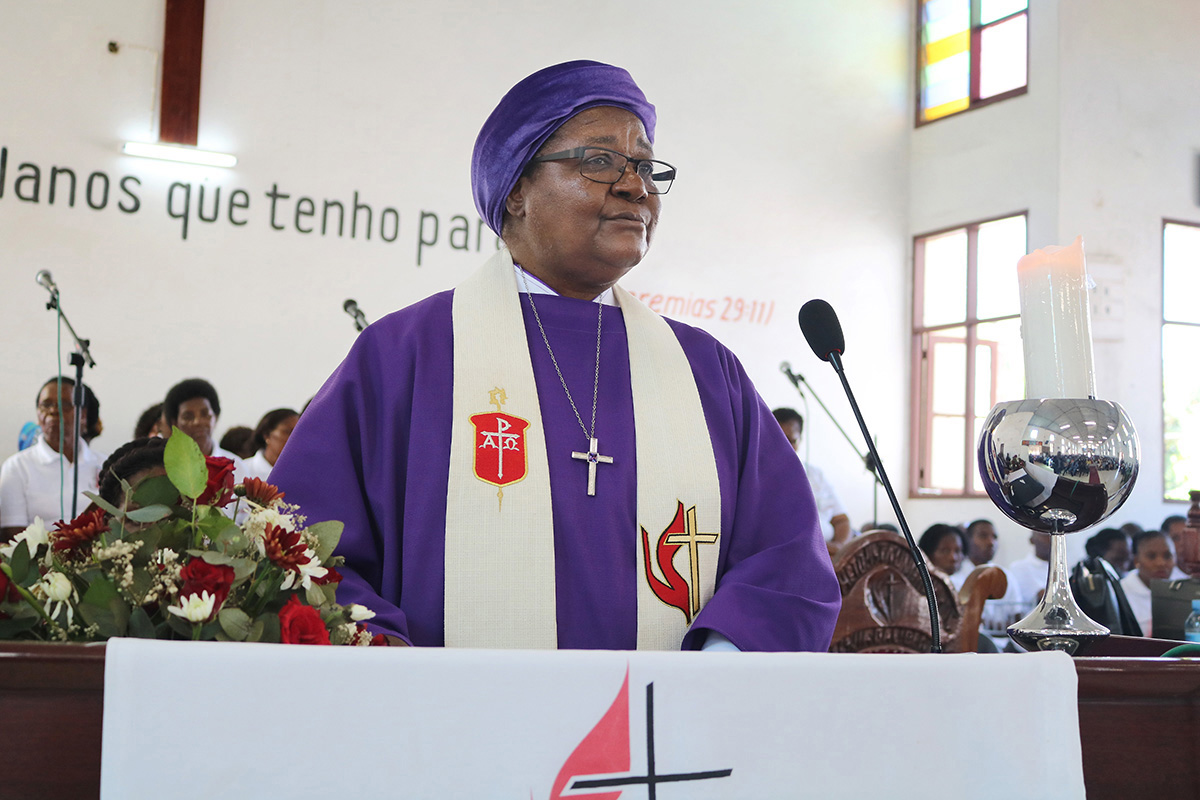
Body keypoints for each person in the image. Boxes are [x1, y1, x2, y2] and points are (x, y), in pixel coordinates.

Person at [270, 60, 841, 652]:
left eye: (644, 166)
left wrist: (717, 669)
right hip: (447, 728)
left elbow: (787, 560)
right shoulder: (405, 356)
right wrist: (400, 679)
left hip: (666, 730)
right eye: (599, 161)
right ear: (516, 189)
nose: (633, 186)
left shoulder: (704, 371)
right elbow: (305, 553)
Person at [0, 377, 103, 537]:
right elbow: (13, 538)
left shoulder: (106, 464)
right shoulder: (17, 467)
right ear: (38, 414)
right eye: (46, 405)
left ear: (82, 415)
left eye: (65, 405)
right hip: (42, 559)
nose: (54, 411)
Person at [771, 407, 852, 555]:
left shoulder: (815, 474)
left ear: (800, 440)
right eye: (781, 439)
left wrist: (839, 547)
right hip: (796, 554)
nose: (787, 447)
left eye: (792, 440)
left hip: (830, 553)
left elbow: (842, 520)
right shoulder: (760, 475)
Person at [1119, 530, 1176, 636]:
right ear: (1136, 561)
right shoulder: (1121, 594)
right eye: (1151, 556)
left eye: (1167, 556)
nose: (1161, 563)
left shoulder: (1180, 589)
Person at [244, 408, 299, 481]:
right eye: (288, 432)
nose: (295, 437)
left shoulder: (302, 472)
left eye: (298, 432)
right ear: (267, 435)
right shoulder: (243, 469)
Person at [1007, 531, 1052, 605]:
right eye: (1045, 535)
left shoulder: (1064, 570)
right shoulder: (1019, 568)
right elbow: (1045, 596)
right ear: (1032, 540)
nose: (1050, 539)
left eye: (1052, 535)